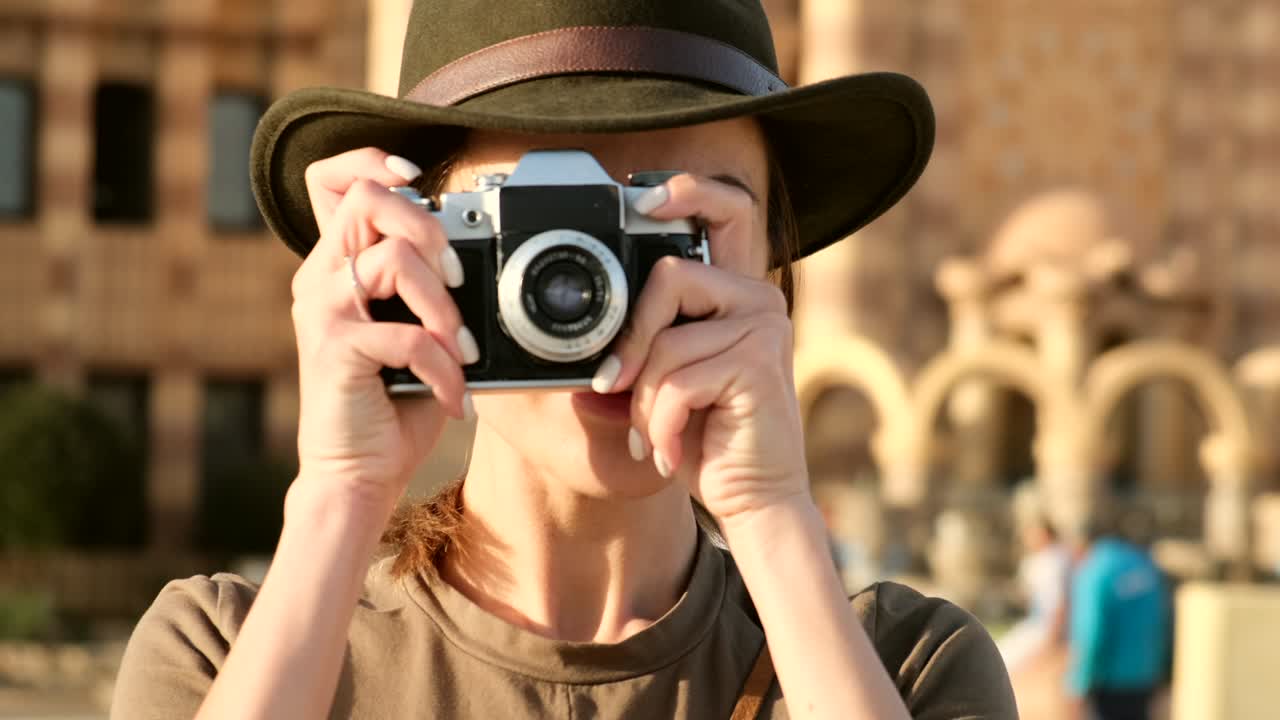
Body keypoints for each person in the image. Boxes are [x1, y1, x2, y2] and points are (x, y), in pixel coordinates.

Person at [110, 1, 1017, 718]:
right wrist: (338, 496)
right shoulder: (221, 653)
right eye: (545, 233)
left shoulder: (906, 670)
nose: (608, 302)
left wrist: (773, 516)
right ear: (422, 247)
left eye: (676, 232)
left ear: (775, 271)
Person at [1068, 521, 1171, 720]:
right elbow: (1163, 623)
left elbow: (1092, 631)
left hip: (1109, 681)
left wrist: (1079, 681)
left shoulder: (1095, 570)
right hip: (1145, 676)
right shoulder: (1145, 565)